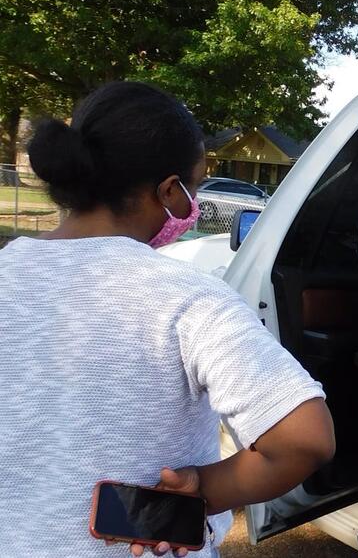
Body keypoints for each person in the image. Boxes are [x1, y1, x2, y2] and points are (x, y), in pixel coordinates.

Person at [0, 82, 336, 558]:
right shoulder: (189, 298)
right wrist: (203, 489)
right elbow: (305, 439)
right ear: (167, 190)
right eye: (194, 186)